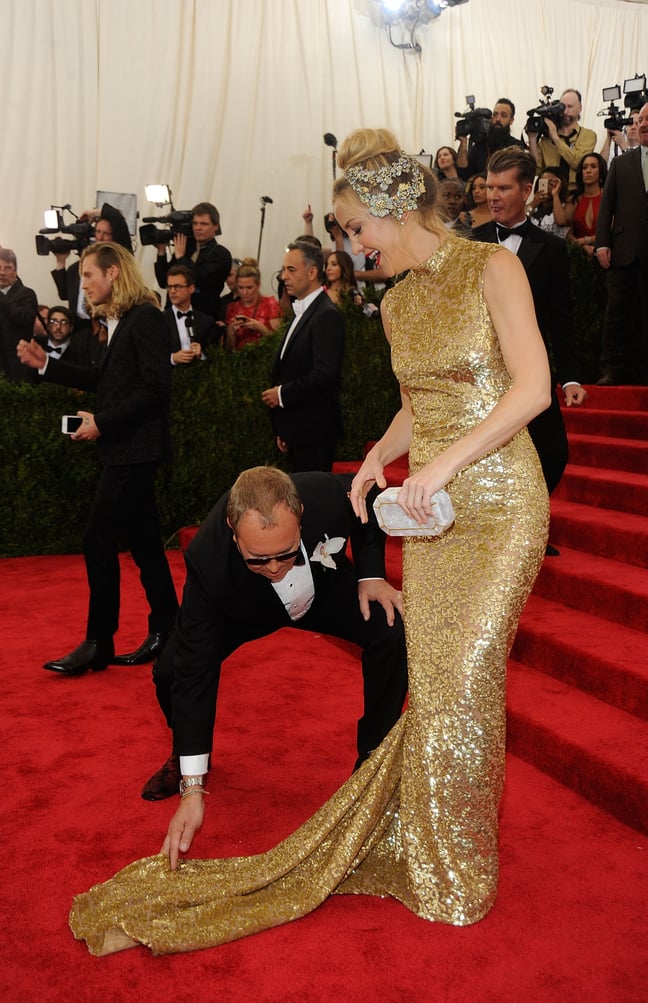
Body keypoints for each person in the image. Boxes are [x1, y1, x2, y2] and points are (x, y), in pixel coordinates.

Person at [69, 129, 551, 957]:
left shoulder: (490, 268)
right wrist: (377, 457)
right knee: (435, 686)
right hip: (431, 511)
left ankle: (459, 867)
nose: (348, 243)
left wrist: (439, 466)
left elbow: (530, 388)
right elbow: (423, 401)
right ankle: (422, 846)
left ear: (394, 208)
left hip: (501, 501)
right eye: (342, 231)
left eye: (353, 226)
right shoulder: (395, 302)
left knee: (466, 683)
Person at [138, 465, 408, 804]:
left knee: (389, 626)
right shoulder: (208, 563)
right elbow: (195, 672)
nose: (276, 568)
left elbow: (368, 499)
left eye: (286, 553)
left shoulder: (324, 495)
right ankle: (184, 756)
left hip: (323, 593)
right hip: (242, 610)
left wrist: (370, 575)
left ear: (301, 516)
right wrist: (193, 786)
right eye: (258, 559)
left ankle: (373, 762)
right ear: (233, 531)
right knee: (172, 670)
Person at [16, 242, 179, 675]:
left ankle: (98, 643)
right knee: (144, 545)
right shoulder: (123, 320)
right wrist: (46, 367)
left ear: (112, 273)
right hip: (127, 451)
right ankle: (170, 629)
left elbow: (155, 389)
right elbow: (103, 380)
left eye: (88, 274)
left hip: (134, 453)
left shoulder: (143, 317)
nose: (83, 283)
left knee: (97, 540)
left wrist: (103, 423)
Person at [474, 147, 587, 501]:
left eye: (503, 188)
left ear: (526, 191)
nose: (493, 196)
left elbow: (560, 318)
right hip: (481, 371)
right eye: (490, 187)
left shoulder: (550, 249)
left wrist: (569, 377)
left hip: (530, 369)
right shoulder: (468, 243)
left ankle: (529, 524)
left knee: (553, 452)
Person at [595, 101, 648, 386]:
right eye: (639, 119)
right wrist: (602, 243)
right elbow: (607, 207)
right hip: (622, 250)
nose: (641, 124)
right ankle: (612, 368)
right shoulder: (621, 163)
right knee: (615, 313)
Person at [262, 241, 345, 472]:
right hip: (298, 431)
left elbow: (325, 374)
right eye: (282, 270)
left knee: (312, 502)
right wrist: (283, 427)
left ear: (312, 272)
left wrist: (281, 394)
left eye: (291, 270)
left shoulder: (326, 315)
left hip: (314, 432)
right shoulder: (305, 311)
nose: (283, 277)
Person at [52, 203, 132, 331]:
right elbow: (64, 294)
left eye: (106, 233)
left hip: (105, 327)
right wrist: (60, 261)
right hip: (79, 330)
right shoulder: (78, 267)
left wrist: (93, 213)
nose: (100, 237)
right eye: (98, 232)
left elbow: (117, 219)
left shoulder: (120, 261)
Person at [154, 202, 232, 319]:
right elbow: (163, 281)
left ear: (215, 226)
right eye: (195, 223)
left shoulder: (221, 254)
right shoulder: (185, 249)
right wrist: (161, 252)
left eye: (203, 224)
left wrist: (181, 258)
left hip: (204, 317)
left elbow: (198, 278)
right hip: (173, 315)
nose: (198, 228)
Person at [528, 88, 597, 189]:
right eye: (562, 107)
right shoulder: (546, 139)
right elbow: (536, 170)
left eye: (570, 107)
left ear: (580, 108)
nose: (565, 111)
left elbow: (578, 163)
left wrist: (555, 138)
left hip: (574, 194)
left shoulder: (588, 135)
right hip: (549, 195)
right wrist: (532, 139)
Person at [456, 98, 525, 181]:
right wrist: (463, 143)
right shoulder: (479, 146)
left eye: (503, 115)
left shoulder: (516, 147)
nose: (498, 119)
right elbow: (463, 175)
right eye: (495, 115)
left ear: (511, 120)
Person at [225, 258, 283, 350]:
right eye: (240, 287)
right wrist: (231, 331)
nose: (244, 292)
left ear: (258, 285)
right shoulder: (233, 308)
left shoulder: (270, 304)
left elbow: (279, 342)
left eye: (249, 287)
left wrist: (261, 328)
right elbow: (228, 349)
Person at [0, 248, 38, 383]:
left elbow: (24, 319)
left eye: (8, 268)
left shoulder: (26, 294)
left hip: (17, 362)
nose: (2, 272)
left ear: (15, 271)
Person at [164, 266, 215, 365]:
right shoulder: (159, 320)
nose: (172, 291)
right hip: (169, 377)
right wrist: (173, 358)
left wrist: (201, 354)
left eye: (177, 286)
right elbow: (152, 354)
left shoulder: (207, 321)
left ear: (191, 288)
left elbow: (215, 355)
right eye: (169, 287)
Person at [566, 152, 608, 259]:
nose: (588, 171)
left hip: (604, 252)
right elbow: (567, 231)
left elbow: (612, 229)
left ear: (601, 171)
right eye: (584, 168)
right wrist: (581, 245)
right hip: (578, 255)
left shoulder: (608, 196)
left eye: (593, 166)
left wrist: (587, 240)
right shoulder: (574, 198)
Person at [527, 167, 571, 238]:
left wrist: (555, 195)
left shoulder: (565, 205)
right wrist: (534, 203)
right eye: (543, 183)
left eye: (551, 183)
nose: (547, 187)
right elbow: (519, 220)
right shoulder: (534, 206)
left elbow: (561, 222)